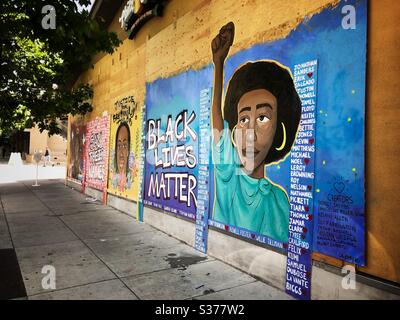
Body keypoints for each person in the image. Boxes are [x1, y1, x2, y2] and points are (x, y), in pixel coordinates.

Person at [210, 22, 301, 243]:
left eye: (262, 118)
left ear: (279, 129)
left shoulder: (280, 201)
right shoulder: (228, 177)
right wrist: (218, 63)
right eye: (243, 119)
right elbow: (217, 122)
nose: (249, 133)